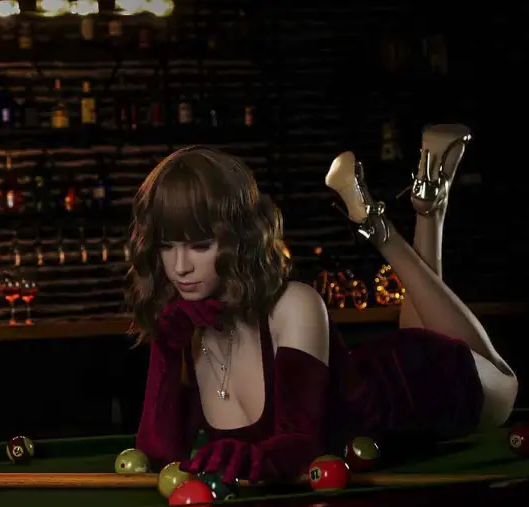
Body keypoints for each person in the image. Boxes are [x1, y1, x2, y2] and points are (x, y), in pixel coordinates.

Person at [128, 131, 518, 484]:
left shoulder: (294, 303)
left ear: (237, 239)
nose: (180, 267)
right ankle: (429, 203)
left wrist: (252, 460)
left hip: (426, 382)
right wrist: (166, 350)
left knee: (505, 383)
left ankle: (379, 228)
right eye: (167, 246)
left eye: (200, 246)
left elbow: (302, 445)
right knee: (417, 323)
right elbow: (159, 455)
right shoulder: (187, 329)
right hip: (376, 380)